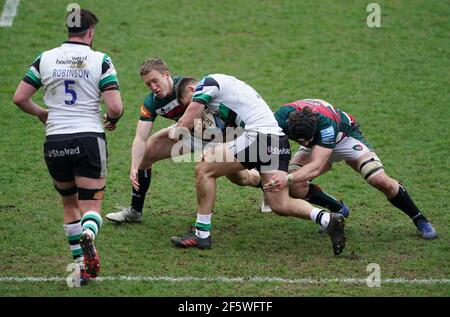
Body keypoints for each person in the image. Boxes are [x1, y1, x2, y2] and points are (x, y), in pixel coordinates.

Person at [169, 75, 347, 255]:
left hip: (259, 137)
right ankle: (327, 219)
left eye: (187, 103)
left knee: (204, 168)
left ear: (192, 90)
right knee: (280, 203)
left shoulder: (207, 83)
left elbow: (188, 121)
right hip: (277, 140)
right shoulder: (227, 89)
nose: (189, 107)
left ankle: (202, 234)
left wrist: (175, 132)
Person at [12, 8, 124, 285]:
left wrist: (41, 113)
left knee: (69, 203)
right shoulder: (101, 60)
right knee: (91, 206)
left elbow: (19, 98)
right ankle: (89, 234)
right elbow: (115, 106)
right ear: (91, 31)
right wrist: (112, 119)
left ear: (68, 30)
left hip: (56, 141)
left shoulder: (45, 58)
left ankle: (80, 268)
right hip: (88, 139)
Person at [264, 99, 437, 240]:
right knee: (296, 186)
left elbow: (316, 166)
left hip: (345, 138)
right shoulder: (279, 118)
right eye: (300, 142)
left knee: (378, 179)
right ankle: (337, 209)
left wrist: (287, 178)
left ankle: (419, 218)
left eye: (308, 140)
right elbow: (265, 143)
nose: (305, 145)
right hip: (319, 144)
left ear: (314, 129)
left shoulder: (325, 125)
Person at [105, 66, 260, 223]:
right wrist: (134, 166)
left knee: (240, 179)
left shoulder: (189, 87)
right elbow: (140, 138)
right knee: (146, 154)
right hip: (189, 135)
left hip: (224, 137)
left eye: (155, 81)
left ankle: (261, 180)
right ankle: (135, 212)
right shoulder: (152, 102)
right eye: (148, 84)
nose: (153, 87)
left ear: (166, 75)